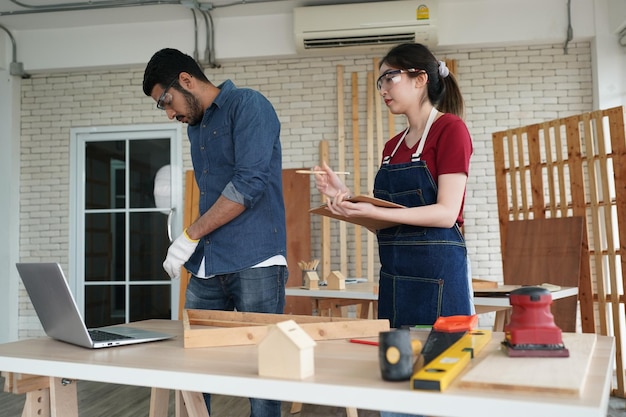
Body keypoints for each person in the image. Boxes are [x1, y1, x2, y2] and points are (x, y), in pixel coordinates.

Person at [315, 43, 473, 416]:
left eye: (390, 77)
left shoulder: (450, 130)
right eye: (380, 81)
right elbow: (389, 224)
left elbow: (446, 214)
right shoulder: (391, 147)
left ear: (420, 79)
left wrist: (374, 208)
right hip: (397, 280)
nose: (384, 88)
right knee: (396, 384)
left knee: (438, 387)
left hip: (439, 280)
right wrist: (349, 202)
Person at [143, 48, 287, 417]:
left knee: (264, 369)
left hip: (255, 259)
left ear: (187, 81)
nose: (170, 113)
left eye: (167, 101)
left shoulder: (248, 105)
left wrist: (189, 234)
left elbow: (249, 184)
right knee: (196, 368)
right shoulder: (196, 128)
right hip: (207, 265)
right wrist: (195, 243)